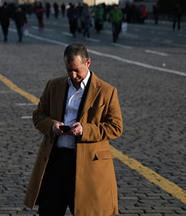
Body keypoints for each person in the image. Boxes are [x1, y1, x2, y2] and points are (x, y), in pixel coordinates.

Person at [24, 44, 123, 216]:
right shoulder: (53, 85)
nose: (73, 75)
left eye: (77, 70)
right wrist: (52, 126)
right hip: (55, 162)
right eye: (68, 70)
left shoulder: (107, 91)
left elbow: (116, 127)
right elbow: (38, 116)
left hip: (88, 166)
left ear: (88, 63)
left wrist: (84, 130)